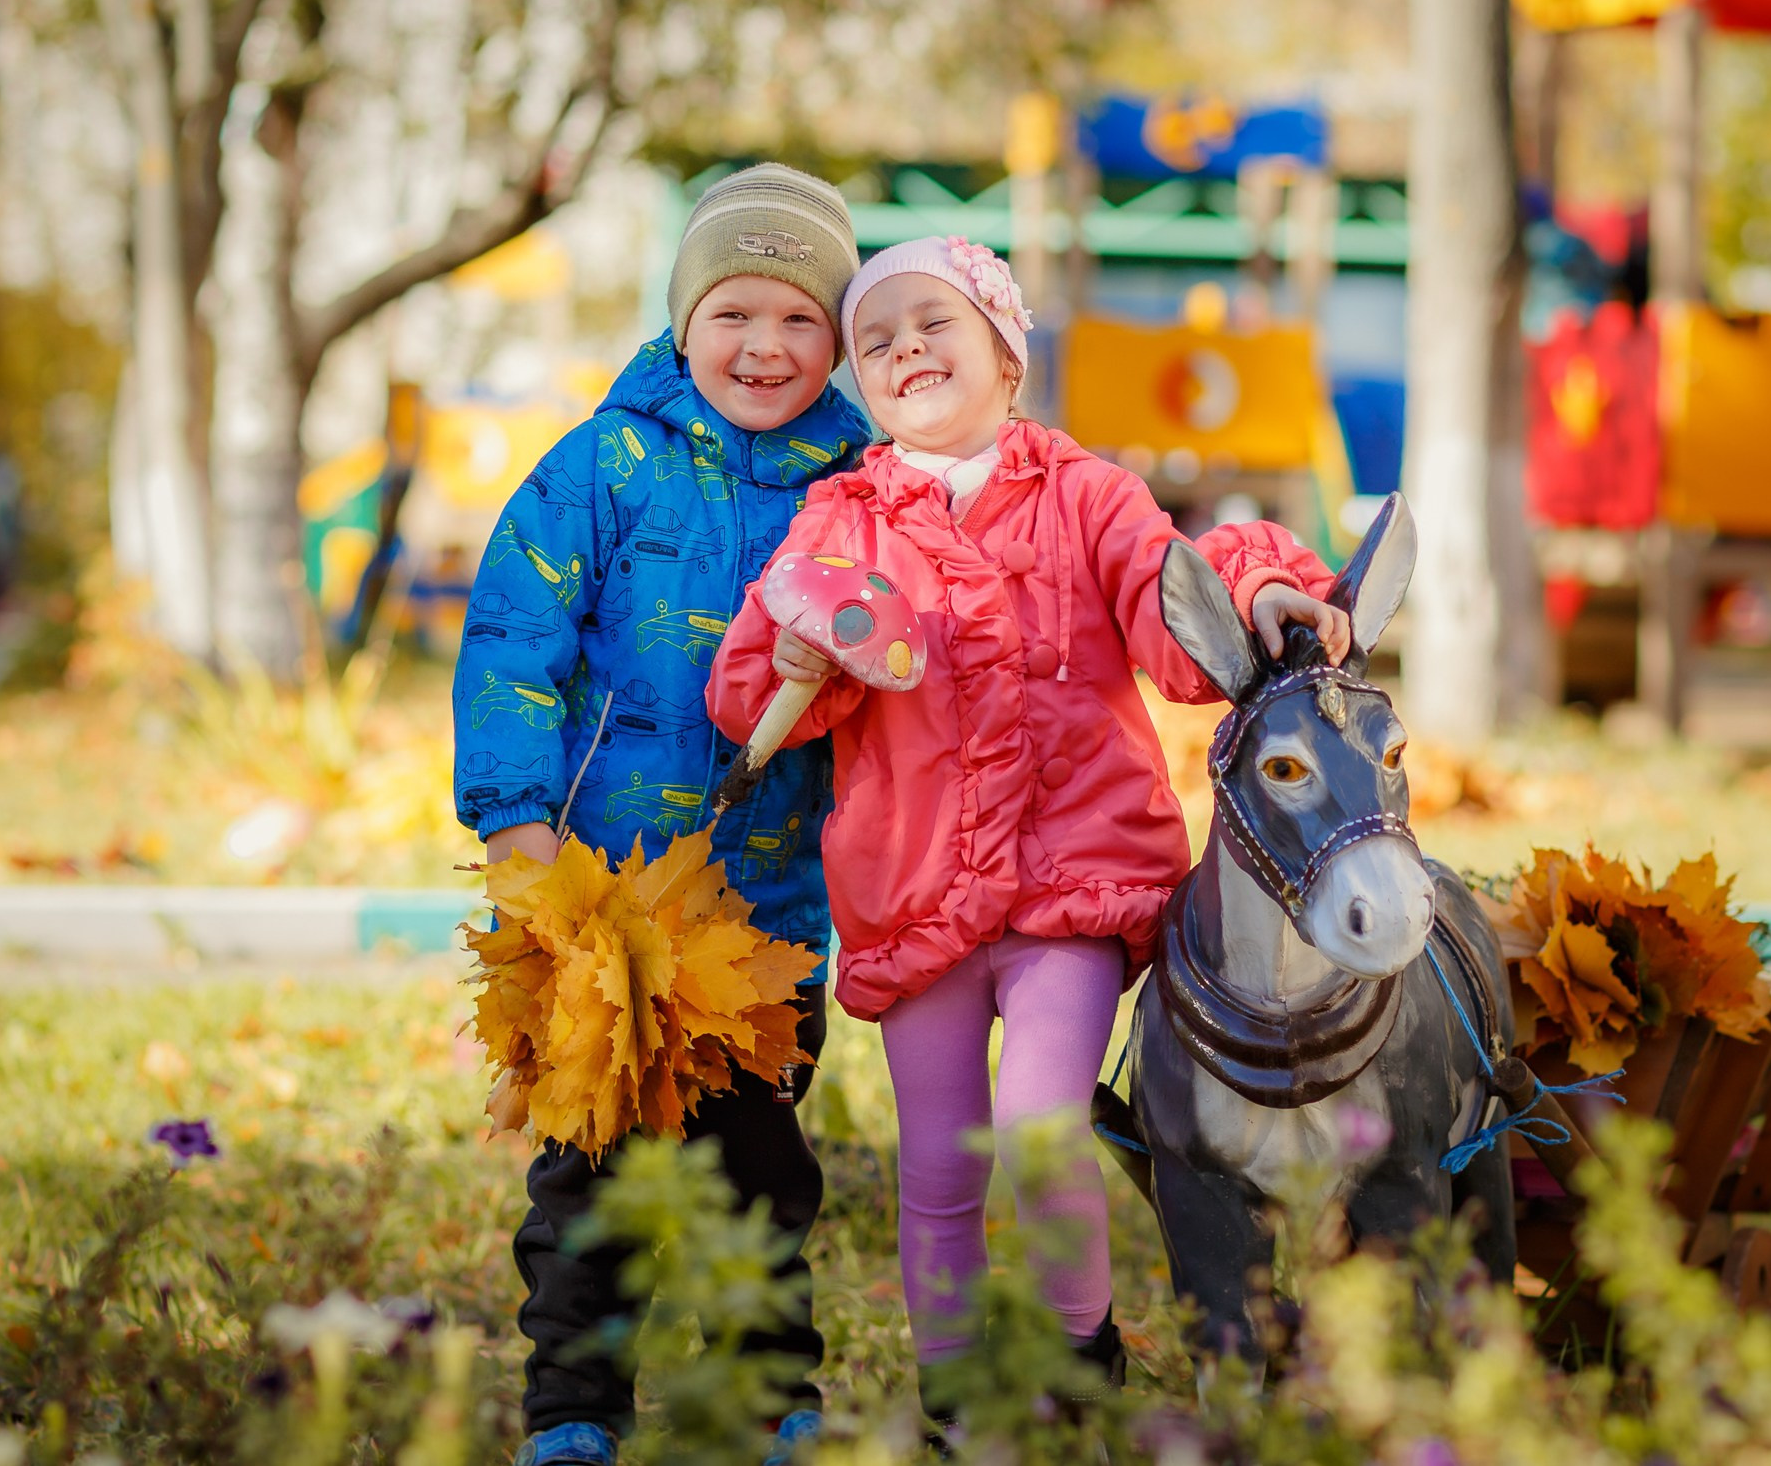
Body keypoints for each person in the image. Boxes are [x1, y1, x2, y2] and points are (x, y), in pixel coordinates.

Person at [708, 236, 1348, 1423]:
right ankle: (954, 1393)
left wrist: (1255, 589)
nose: (904, 349)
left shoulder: (1085, 494)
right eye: (876, 340)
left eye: (932, 325)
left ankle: (1070, 1360)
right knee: (941, 1170)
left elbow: (1175, 605)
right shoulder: (844, 516)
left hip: (1069, 887)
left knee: (1042, 1130)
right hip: (915, 895)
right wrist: (794, 658)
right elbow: (759, 695)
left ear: (1007, 356)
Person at [451, 164, 869, 1466]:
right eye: (736, 311)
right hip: (606, 893)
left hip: (768, 908)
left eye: (802, 318)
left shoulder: (859, 484)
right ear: (685, 320)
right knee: (589, 1175)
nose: (766, 345)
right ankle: (575, 1406)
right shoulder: (604, 462)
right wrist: (520, 822)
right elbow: (516, 637)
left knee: (760, 1171)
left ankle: (767, 1396)